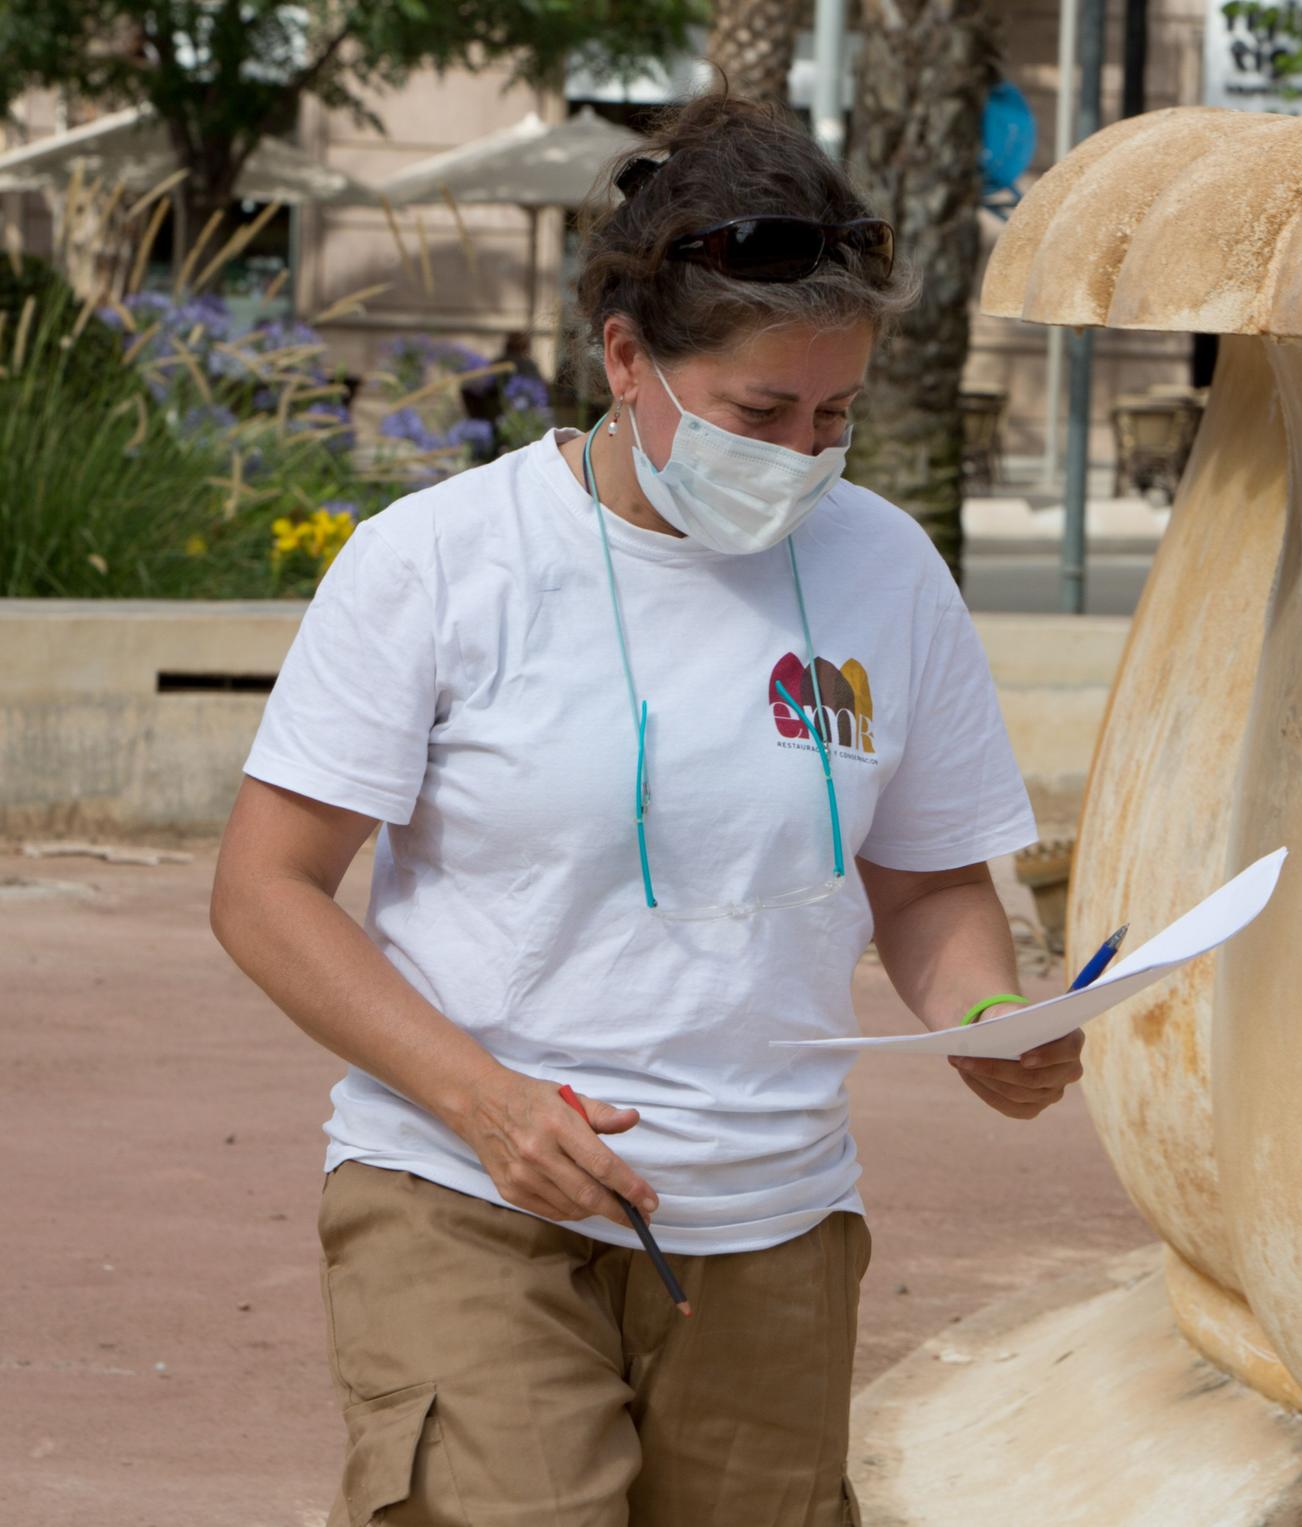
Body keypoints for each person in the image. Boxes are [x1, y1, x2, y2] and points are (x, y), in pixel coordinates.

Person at [209, 91, 1082, 1527]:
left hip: (771, 1222)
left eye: (836, 413)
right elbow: (266, 888)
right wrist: (484, 1102)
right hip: (466, 1190)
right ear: (628, 359)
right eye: (760, 411)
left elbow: (925, 886)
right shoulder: (439, 561)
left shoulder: (888, 571)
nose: (804, 453)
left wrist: (986, 1020)